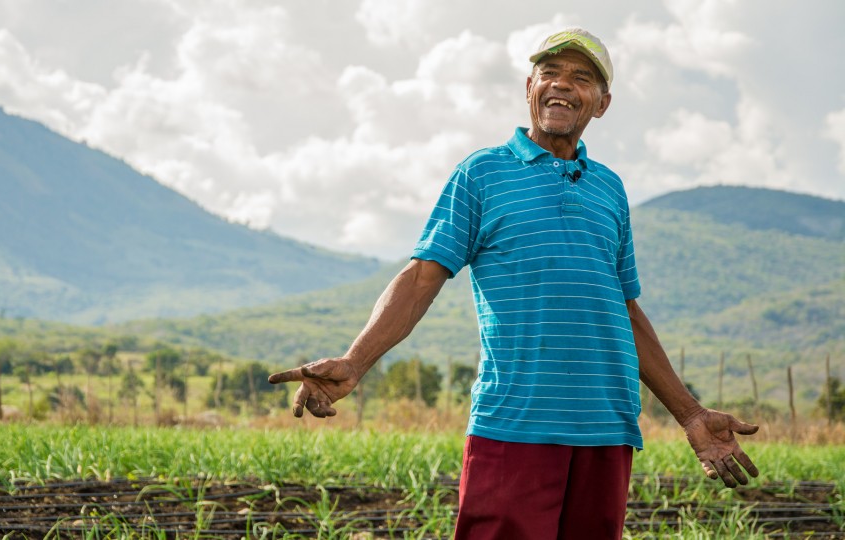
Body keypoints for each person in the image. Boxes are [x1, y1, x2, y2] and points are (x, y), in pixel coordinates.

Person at [268, 27, 759, 539]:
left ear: (603, 102)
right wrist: (355, 361)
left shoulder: (610, 189)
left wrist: (690, 414)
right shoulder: (482, 174)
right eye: (549, 74)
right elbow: (419, 279)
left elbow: (624, 312)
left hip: (607, 430)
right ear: (529, 88)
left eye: (581, 78)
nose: (562, 86)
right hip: (515, 428)